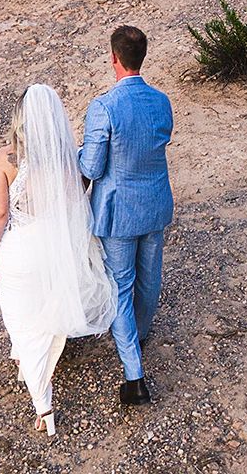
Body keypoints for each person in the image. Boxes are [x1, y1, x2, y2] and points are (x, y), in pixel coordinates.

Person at [0, 84, 115, 436]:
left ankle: (44, 404)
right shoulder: (68, 158)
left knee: (22, 321)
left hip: (22, 251)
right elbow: (75, 200)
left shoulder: (6, 159)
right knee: (45, 313)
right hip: (55, 249)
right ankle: (37, 380)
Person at [76, 25, 174, 406]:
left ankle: (134, 375)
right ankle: (141, 332)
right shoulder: (162, 101)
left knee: (120, 286)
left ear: (113, 58)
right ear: (141, 58)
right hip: (155, 204)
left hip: (118, 212)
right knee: (149, 279)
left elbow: (93, 166)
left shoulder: (104, 107)